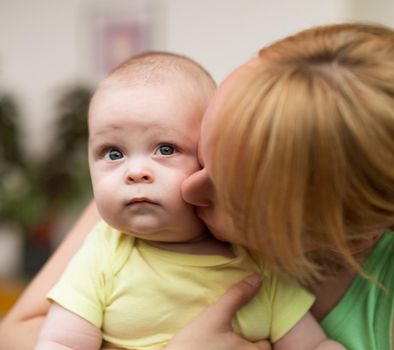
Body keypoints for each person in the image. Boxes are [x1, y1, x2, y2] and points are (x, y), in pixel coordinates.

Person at [1, 22, 394, 350]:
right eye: (203, 148)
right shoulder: (146, 198)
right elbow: (18, 334)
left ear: (340, 239)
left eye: (232, 194)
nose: (188, 188)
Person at [33, 52, 343, 350]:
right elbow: (60, 344)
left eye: (165, 149)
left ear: (212, 157)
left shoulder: (256, 260)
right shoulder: (104, 252)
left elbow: (313, 345)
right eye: (113, 153)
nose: (136, 172)